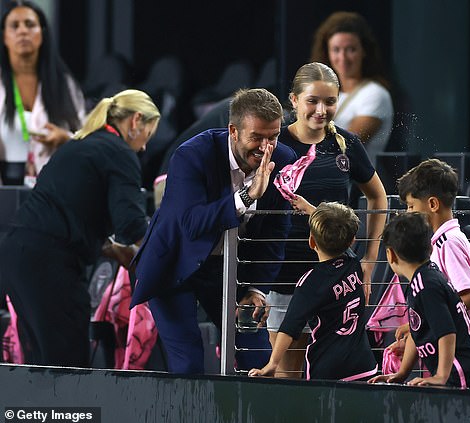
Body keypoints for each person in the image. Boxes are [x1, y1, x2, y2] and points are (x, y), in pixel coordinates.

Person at [129, 88, 297, 375]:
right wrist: (246, 196)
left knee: (256, 357)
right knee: (189, 362)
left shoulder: (283, 158)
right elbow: (191, 224)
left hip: (228, 268)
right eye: (256, 137)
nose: (266, 147)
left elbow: (276, 230)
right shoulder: (192, 154)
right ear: (233, 130)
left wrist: (256, 289)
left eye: (273, 137)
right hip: (175, 264)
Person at [0, 89, 159, 366]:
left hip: (17, 255)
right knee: (67, 366)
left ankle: (40, 411)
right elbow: (131, 226)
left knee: (39, 362)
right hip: (49, 266)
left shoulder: (80, 145)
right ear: (135, 121)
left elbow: (72, 212)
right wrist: (168, 247)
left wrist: (110, 249)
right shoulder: (119, 152)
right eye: (148, 134)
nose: (144, 147)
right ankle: (70, 412)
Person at [266, 62, 387, 378]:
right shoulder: (274, 143)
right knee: (287, 371)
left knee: (333, 370)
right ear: (293, 100)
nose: (321, 110)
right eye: (312, 101)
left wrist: (370, 263)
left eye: (330, 101)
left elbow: (378, 197)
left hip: (337, 277)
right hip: (284, 276)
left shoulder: (345, 143)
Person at [393, 158, 470, 378]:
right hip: (464, 357)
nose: (407, 213)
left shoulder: (449, 243)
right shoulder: (443, 241)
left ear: (432, 204)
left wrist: (431, 319)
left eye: (411, 206)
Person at [249, 202, 377, 380]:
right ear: (352, 241)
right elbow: (342, 237)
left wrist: (273, 363)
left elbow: (290, 326)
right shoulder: (353, 263)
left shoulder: (311, 282)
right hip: (364, 365)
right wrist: (310, 209)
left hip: (327, 369)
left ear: (311, 242)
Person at [369, 212, 470, 388]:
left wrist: (441, 375)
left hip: (462, 371)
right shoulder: (423, 278)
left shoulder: (426, 286)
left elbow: (447, 332)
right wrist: (401, 373)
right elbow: (416, 331)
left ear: (390, 255)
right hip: (460, 370)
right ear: (430, 247)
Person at [0, 0, 85, 186]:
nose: (22, 31)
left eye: (30, 25)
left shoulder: (64, 84)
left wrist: (66, 139)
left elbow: (85, 137)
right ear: (4, 37)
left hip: (56, 185)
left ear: (42, 33)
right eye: (14, 26)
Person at [310, 11, 393, 165]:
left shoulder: (375, 94)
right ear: (327, 53)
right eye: (336, 50)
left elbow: (344, 145)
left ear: (364, 51)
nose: (343, 58)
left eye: (351, 49)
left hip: (355, 187)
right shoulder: (327, 94)